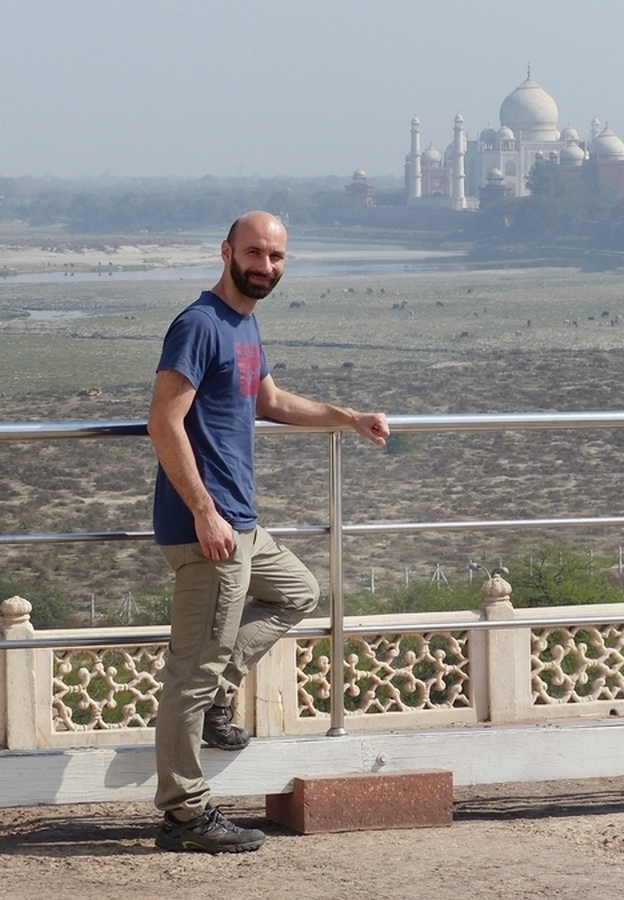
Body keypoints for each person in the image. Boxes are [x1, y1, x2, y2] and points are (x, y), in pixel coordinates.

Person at [147, 210, 389, 854]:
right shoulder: (200, 324)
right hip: (209, 528)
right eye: (254, 253)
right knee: (191, 672)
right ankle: (183, 814)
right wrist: (204, 511)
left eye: (276, 256)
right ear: (226, 251)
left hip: (241, 523)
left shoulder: (244, 323)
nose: (266, 266)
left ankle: (219, 697)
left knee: (298, 591)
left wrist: (348, 417)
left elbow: (270, 401)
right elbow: (163, 422)